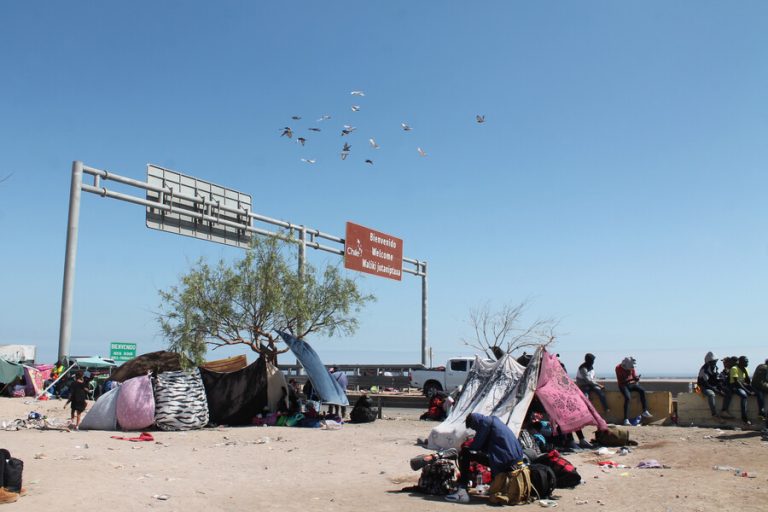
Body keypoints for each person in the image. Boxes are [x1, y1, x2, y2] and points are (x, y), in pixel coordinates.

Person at [445, 413, 525, 504]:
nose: (474, 429)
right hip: (515, 458)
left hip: (505, 460)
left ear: (475, 422)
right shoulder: (493, 421)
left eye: (473, 427)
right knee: (472, 453)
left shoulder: (485, 423)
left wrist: (467, 446)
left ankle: (462, 489)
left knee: (465, 454)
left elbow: (476, 445)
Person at [615, 356, 652, 426]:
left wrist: (636, 378)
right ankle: (625, 419)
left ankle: (645, 411)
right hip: (623, 385)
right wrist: (632, 380)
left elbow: (634, 376)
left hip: (630, 384)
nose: (631, 369)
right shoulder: (618, 368)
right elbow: (621, 381)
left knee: (642, 390)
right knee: (627, 398)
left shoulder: (631, 367)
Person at [722, 356, 753, 425]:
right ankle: (744, 418)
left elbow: (747, 382)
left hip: (741, 385)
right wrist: (747, 391)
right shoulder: (734, 369)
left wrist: (745, 372)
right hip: (734, 386)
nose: (747, 363)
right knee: (744, 396)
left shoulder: (745, 369)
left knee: (758, 392)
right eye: (745, 362)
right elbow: (736, 382)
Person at [697, 351, 724, 418]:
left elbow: (717, 379)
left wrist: (720, 387)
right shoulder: (704, 370)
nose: (715, 363)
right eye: (713, 361)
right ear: (709, 362)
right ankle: (714, 414)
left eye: (715, 361)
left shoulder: (715, 368)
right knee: (711, 394)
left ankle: (724, 411)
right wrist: (716, 390)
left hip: (712, 385)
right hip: (704, 387)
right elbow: (706, 383)